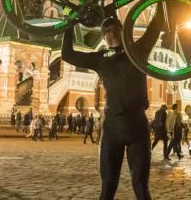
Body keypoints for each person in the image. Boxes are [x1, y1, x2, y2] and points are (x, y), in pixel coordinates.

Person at [61, 13, 162, 200]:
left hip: (137, 129)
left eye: (113, 28)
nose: (110, 32)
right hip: (112, 131)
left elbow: (156, 25)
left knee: (141, 186)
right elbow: (67, 54)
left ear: (123, 31)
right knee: (108, 187)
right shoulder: (100, 58)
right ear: (103, 37)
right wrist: (70, 22)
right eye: (105, 30)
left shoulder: (137, 51)